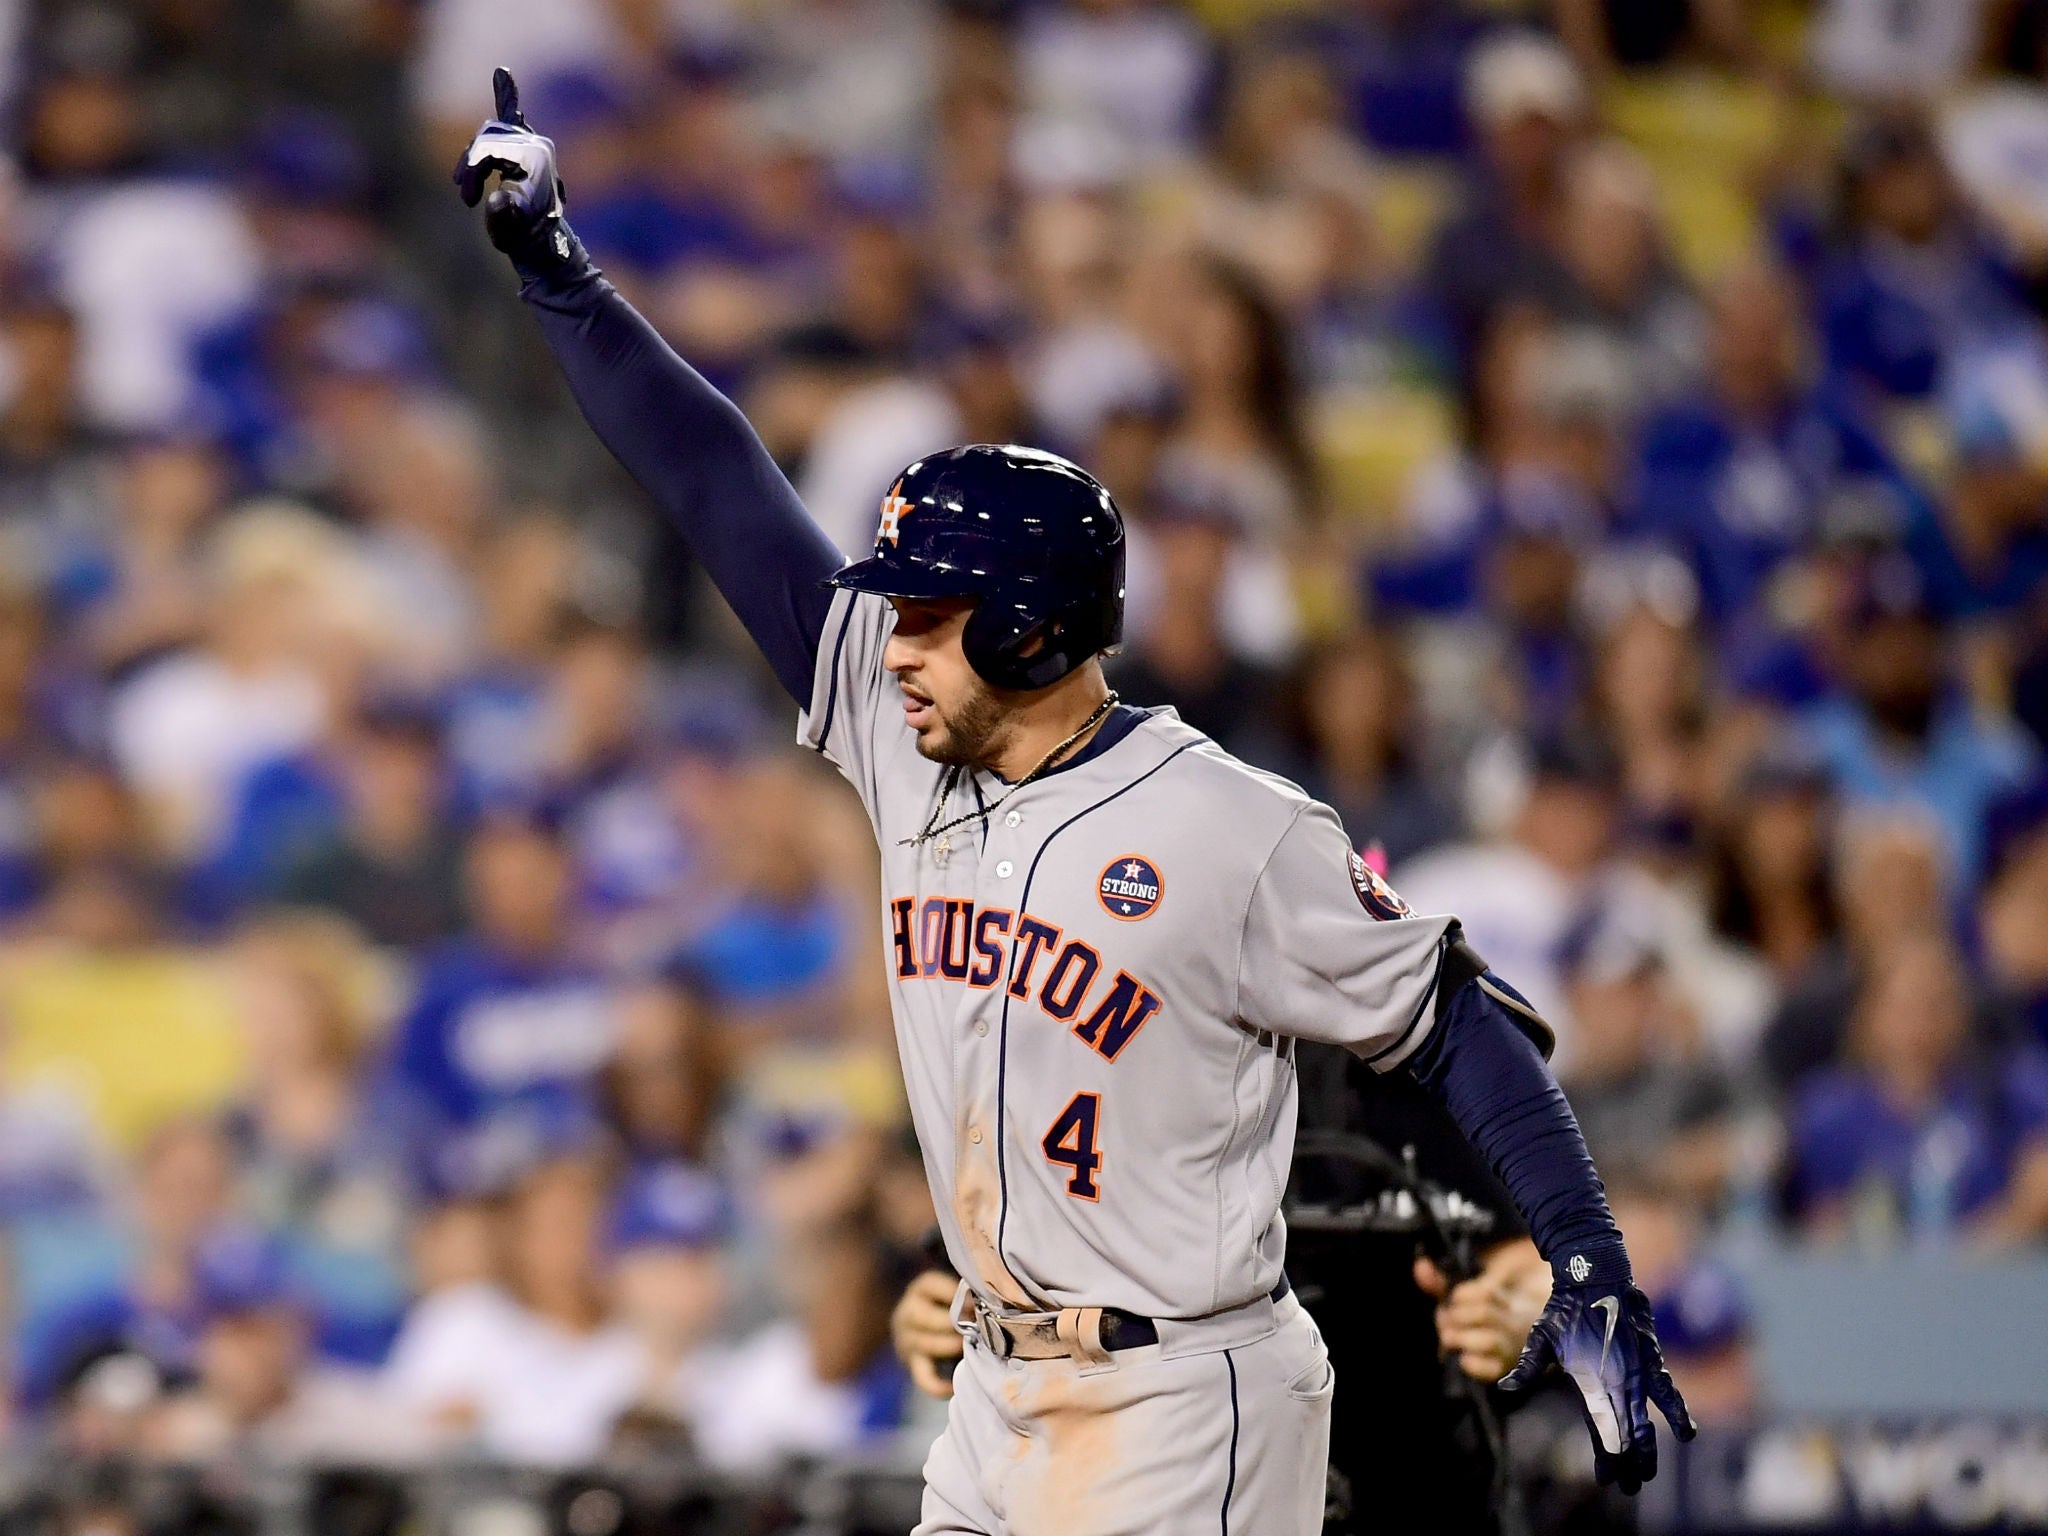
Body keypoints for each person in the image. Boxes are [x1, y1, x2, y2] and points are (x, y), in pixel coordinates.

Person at [455, 70, 1691, 1530]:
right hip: (999, 1397)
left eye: (930, 612)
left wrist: (1589, 1258)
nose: (891, 642)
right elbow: (718, 483)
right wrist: (563, 277)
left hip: (1186, 1405)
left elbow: (1452, 1023)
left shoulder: (1230, 827)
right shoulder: (910, 725)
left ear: (1031, 630)